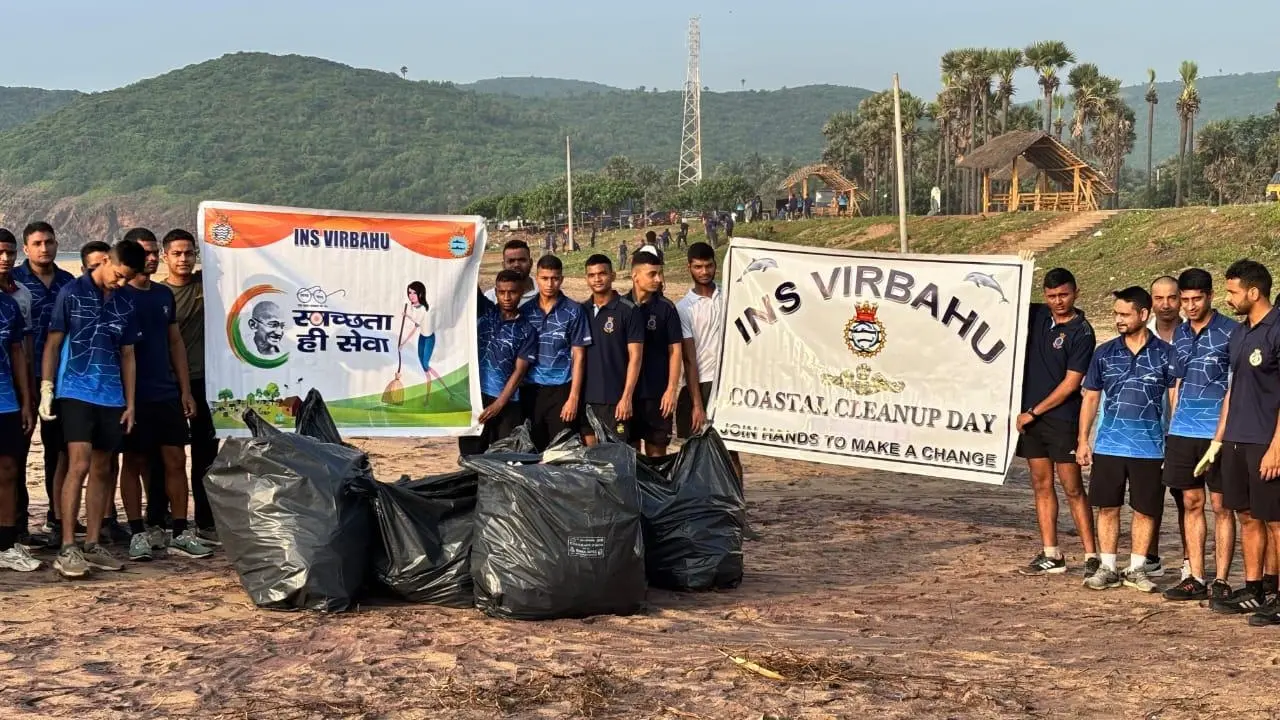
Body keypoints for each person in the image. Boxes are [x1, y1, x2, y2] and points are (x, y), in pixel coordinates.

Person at [41, 238, 148, 578]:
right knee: (79, 464)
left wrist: (130, 403)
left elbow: (129, 354)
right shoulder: (71, 293)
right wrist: (47, 389)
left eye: (127, 278)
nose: (120, 282)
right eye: (118, 275)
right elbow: (53, 343)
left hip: (112, 395)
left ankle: (92, 542)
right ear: (104, 261)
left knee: (104, 467)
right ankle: (68, 546)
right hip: (75, 390)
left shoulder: (126, 302)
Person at [115, 229, 210, 561]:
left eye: (155, 252)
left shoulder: (162, 295)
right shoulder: (117, 296)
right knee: (135, 462)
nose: (151, 258)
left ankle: (181, 531)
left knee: (175, 460)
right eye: (145, 253)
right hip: (131, 397)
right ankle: (138, 532)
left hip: (166, 393)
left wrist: (185, 390)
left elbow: (175, 343)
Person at [1077, 286, 1176, 593]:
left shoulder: (1166, 354)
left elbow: (1175, 398)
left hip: (1150, 447)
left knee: (1146, 509)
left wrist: (1172, 441)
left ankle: (1135, 568)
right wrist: (1083, 440)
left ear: (1143, 315)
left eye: (1124, 314)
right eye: (1115, 314)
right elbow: (1091, 398)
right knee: (1107, 507)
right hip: (1109, 444)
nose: (1118, 319)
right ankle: (1107, 567)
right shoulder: (1104, 353)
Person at [1201, 260, 1280, 621]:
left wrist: (1277, 446)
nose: (1228, 299)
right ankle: (1253, 589)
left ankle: (1277, 594)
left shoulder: (1277, 329)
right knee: (1247, 515)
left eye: (1233, 292)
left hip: (1267, 440)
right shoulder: (1239, 333)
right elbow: (1234, 389)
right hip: (1236, 439)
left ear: (1254, 291)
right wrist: (1218, 440)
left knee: (1275, 519)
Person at [1015, 267, 1099, 576]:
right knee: (1041, 484)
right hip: (1032, 421)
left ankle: (1092, 555)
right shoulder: (1037, 315)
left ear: (1076, 292)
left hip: (1061, 419)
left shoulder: (1082, 331)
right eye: (1051, 296)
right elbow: (1004, 298)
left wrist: (1034, 412)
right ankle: (1052, 553)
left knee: (1073, 487)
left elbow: (1071, 383)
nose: (1058, 301)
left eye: (1063, 295)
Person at [1160, 269, 1238, 602]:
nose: (1190, 306)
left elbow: (1236, 386)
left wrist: (1222, 433)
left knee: (1222, 506)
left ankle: (1221, 580)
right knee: (1191, 503)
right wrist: (1175, 419)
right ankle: (1195, 576)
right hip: (1182, 431)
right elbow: (1176, 380)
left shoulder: (1232, 332)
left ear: (1210, 296)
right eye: (1185, 300)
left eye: (1196, 299)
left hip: (1218, 431)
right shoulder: (1178, 333)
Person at [13, 222, 76, 543]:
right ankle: (18, 523)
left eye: (49, 242)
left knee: (59, 449)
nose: (44, 248)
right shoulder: (13, 283)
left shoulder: (69, 283)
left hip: (61, 377)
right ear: (26, 248)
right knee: (17, 452)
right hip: (22, 376)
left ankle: (58, 517)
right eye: (37, 243)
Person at [160, 229, 220, 545]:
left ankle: (206, 521)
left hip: (205, 384)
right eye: (177, 253)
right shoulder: (158, 294)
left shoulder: (206, 287)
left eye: (189, 253)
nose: (184, 259)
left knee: (205, 457)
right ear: (164, 256)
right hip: (166, 386)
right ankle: (164, 518)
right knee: (167, 456)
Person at [459, 270, 538, 456]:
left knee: (504, 460)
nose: (507, 297)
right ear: (495, 292)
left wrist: (499, 404)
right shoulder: (485, 311)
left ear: (521, 292)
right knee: (471, 455)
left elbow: (519, 372)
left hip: (507, 405)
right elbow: (469, 280)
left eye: (512, 292)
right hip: (476, 399)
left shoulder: (527, 330)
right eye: (502, 292)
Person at [520, 255, 590, 450]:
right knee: (533, 450)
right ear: (537, 277)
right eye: (545, 278)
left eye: (555, 278)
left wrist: (573, 398)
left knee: (561, 451)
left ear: (562, 278)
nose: (550, 284)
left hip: (562, 390)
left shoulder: (574, 311)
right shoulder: (525, 311)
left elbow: (579, 356)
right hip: (531, 391)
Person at [1147, 274, 1188, 576]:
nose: (1166, 304)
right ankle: (1149, 557)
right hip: (1147, 432)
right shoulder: (1140, 336)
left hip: (1185, 432)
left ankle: (1191, 559)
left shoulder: (1193, 336)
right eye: (1159, 298)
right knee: (1149, 497)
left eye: (1172, 298)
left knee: (1187, 498)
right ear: (1151, 302)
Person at [580, 255, 643, 446]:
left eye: (602, 273)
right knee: (590, 459)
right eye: (592, 275)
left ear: (612, 275)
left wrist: (626, 397)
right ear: (586, 279)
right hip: (587, 399)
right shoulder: (581, 311)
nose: (597, 279)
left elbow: (636, 357)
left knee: (617, 459)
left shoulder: (629, 311)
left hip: (615, 399)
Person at [625, 251, 683, 457]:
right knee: (629, 456)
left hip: (657, 395)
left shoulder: (666, 308)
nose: (658, 279)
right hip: (628, 396)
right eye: (652, 274)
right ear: (635, 276)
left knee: (657, 457)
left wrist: (671, 390)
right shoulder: (622, 307)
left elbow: (675, 351)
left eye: (659, 274)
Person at [0, 262, 37, 571]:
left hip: (6, 400)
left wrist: (26, 400)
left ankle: (7, 542)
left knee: (9, 470)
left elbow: (18, 355)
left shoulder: (8, 306)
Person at [483, 239, 538, 307]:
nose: (516, 265)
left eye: (521, 260)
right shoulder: (491, 297)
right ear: (503, 265)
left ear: (531, 263)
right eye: (511, 261)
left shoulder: (543, 292)